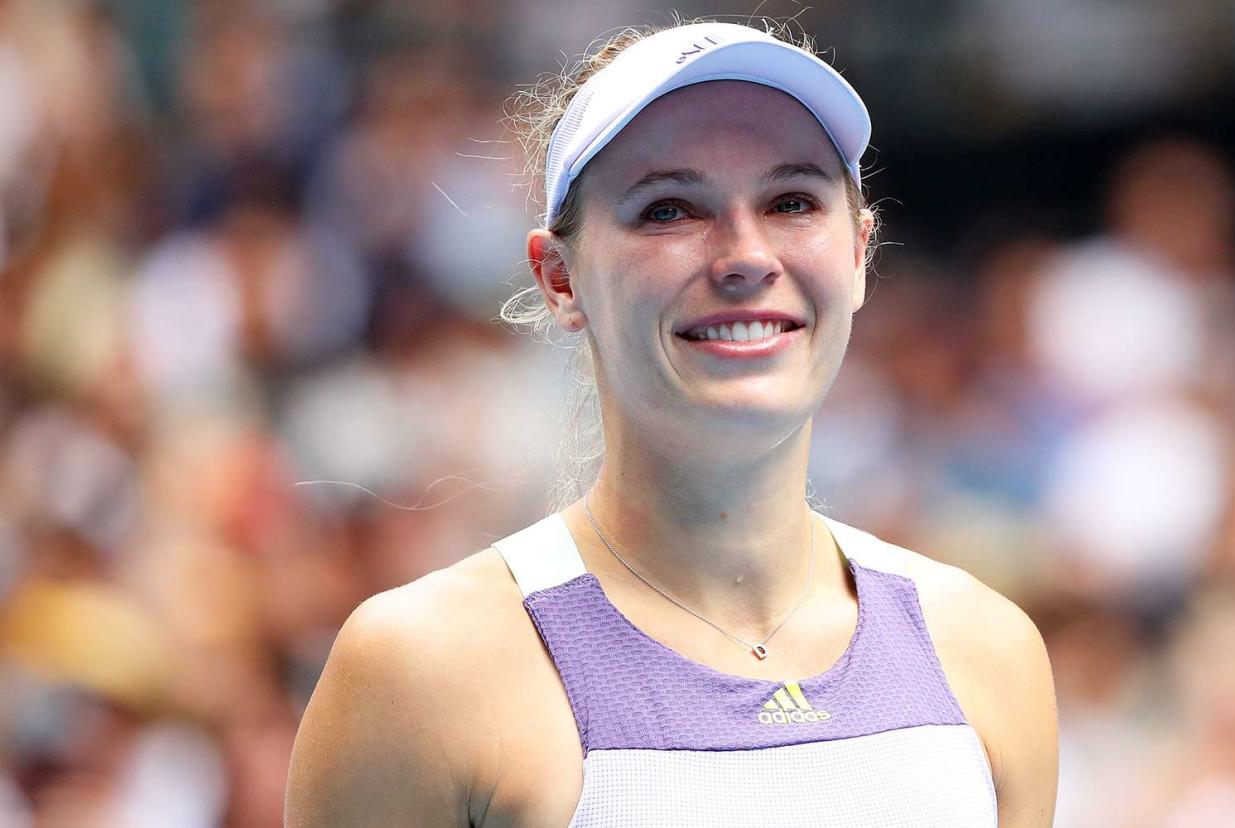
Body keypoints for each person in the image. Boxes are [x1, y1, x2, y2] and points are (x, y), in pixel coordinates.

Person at [284, 19, 1059, 827]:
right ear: (558, 277)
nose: (746, 256)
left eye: (792, 201)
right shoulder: (422, 672)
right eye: (669, 210)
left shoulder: (986, 651)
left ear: (860, 252)